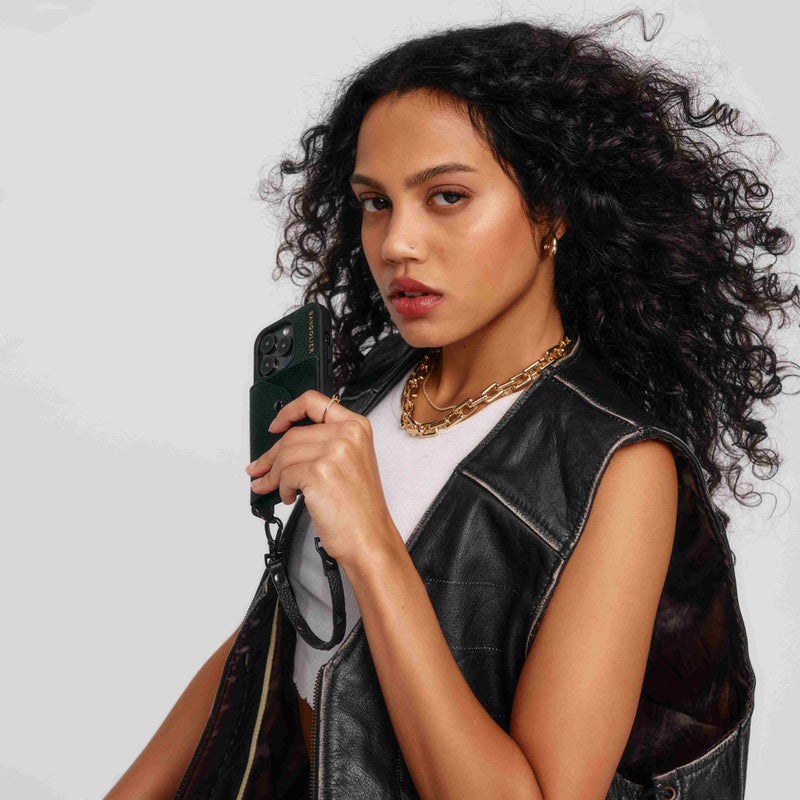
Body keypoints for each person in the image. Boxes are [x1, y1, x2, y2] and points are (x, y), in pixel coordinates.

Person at [104, 13, 797, 800]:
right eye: (375, 202)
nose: (397, 242)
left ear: (552, 209)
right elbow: (276, 637)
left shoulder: (619, 467)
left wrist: (373, 546)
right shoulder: (379, 380)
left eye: (446, 196)